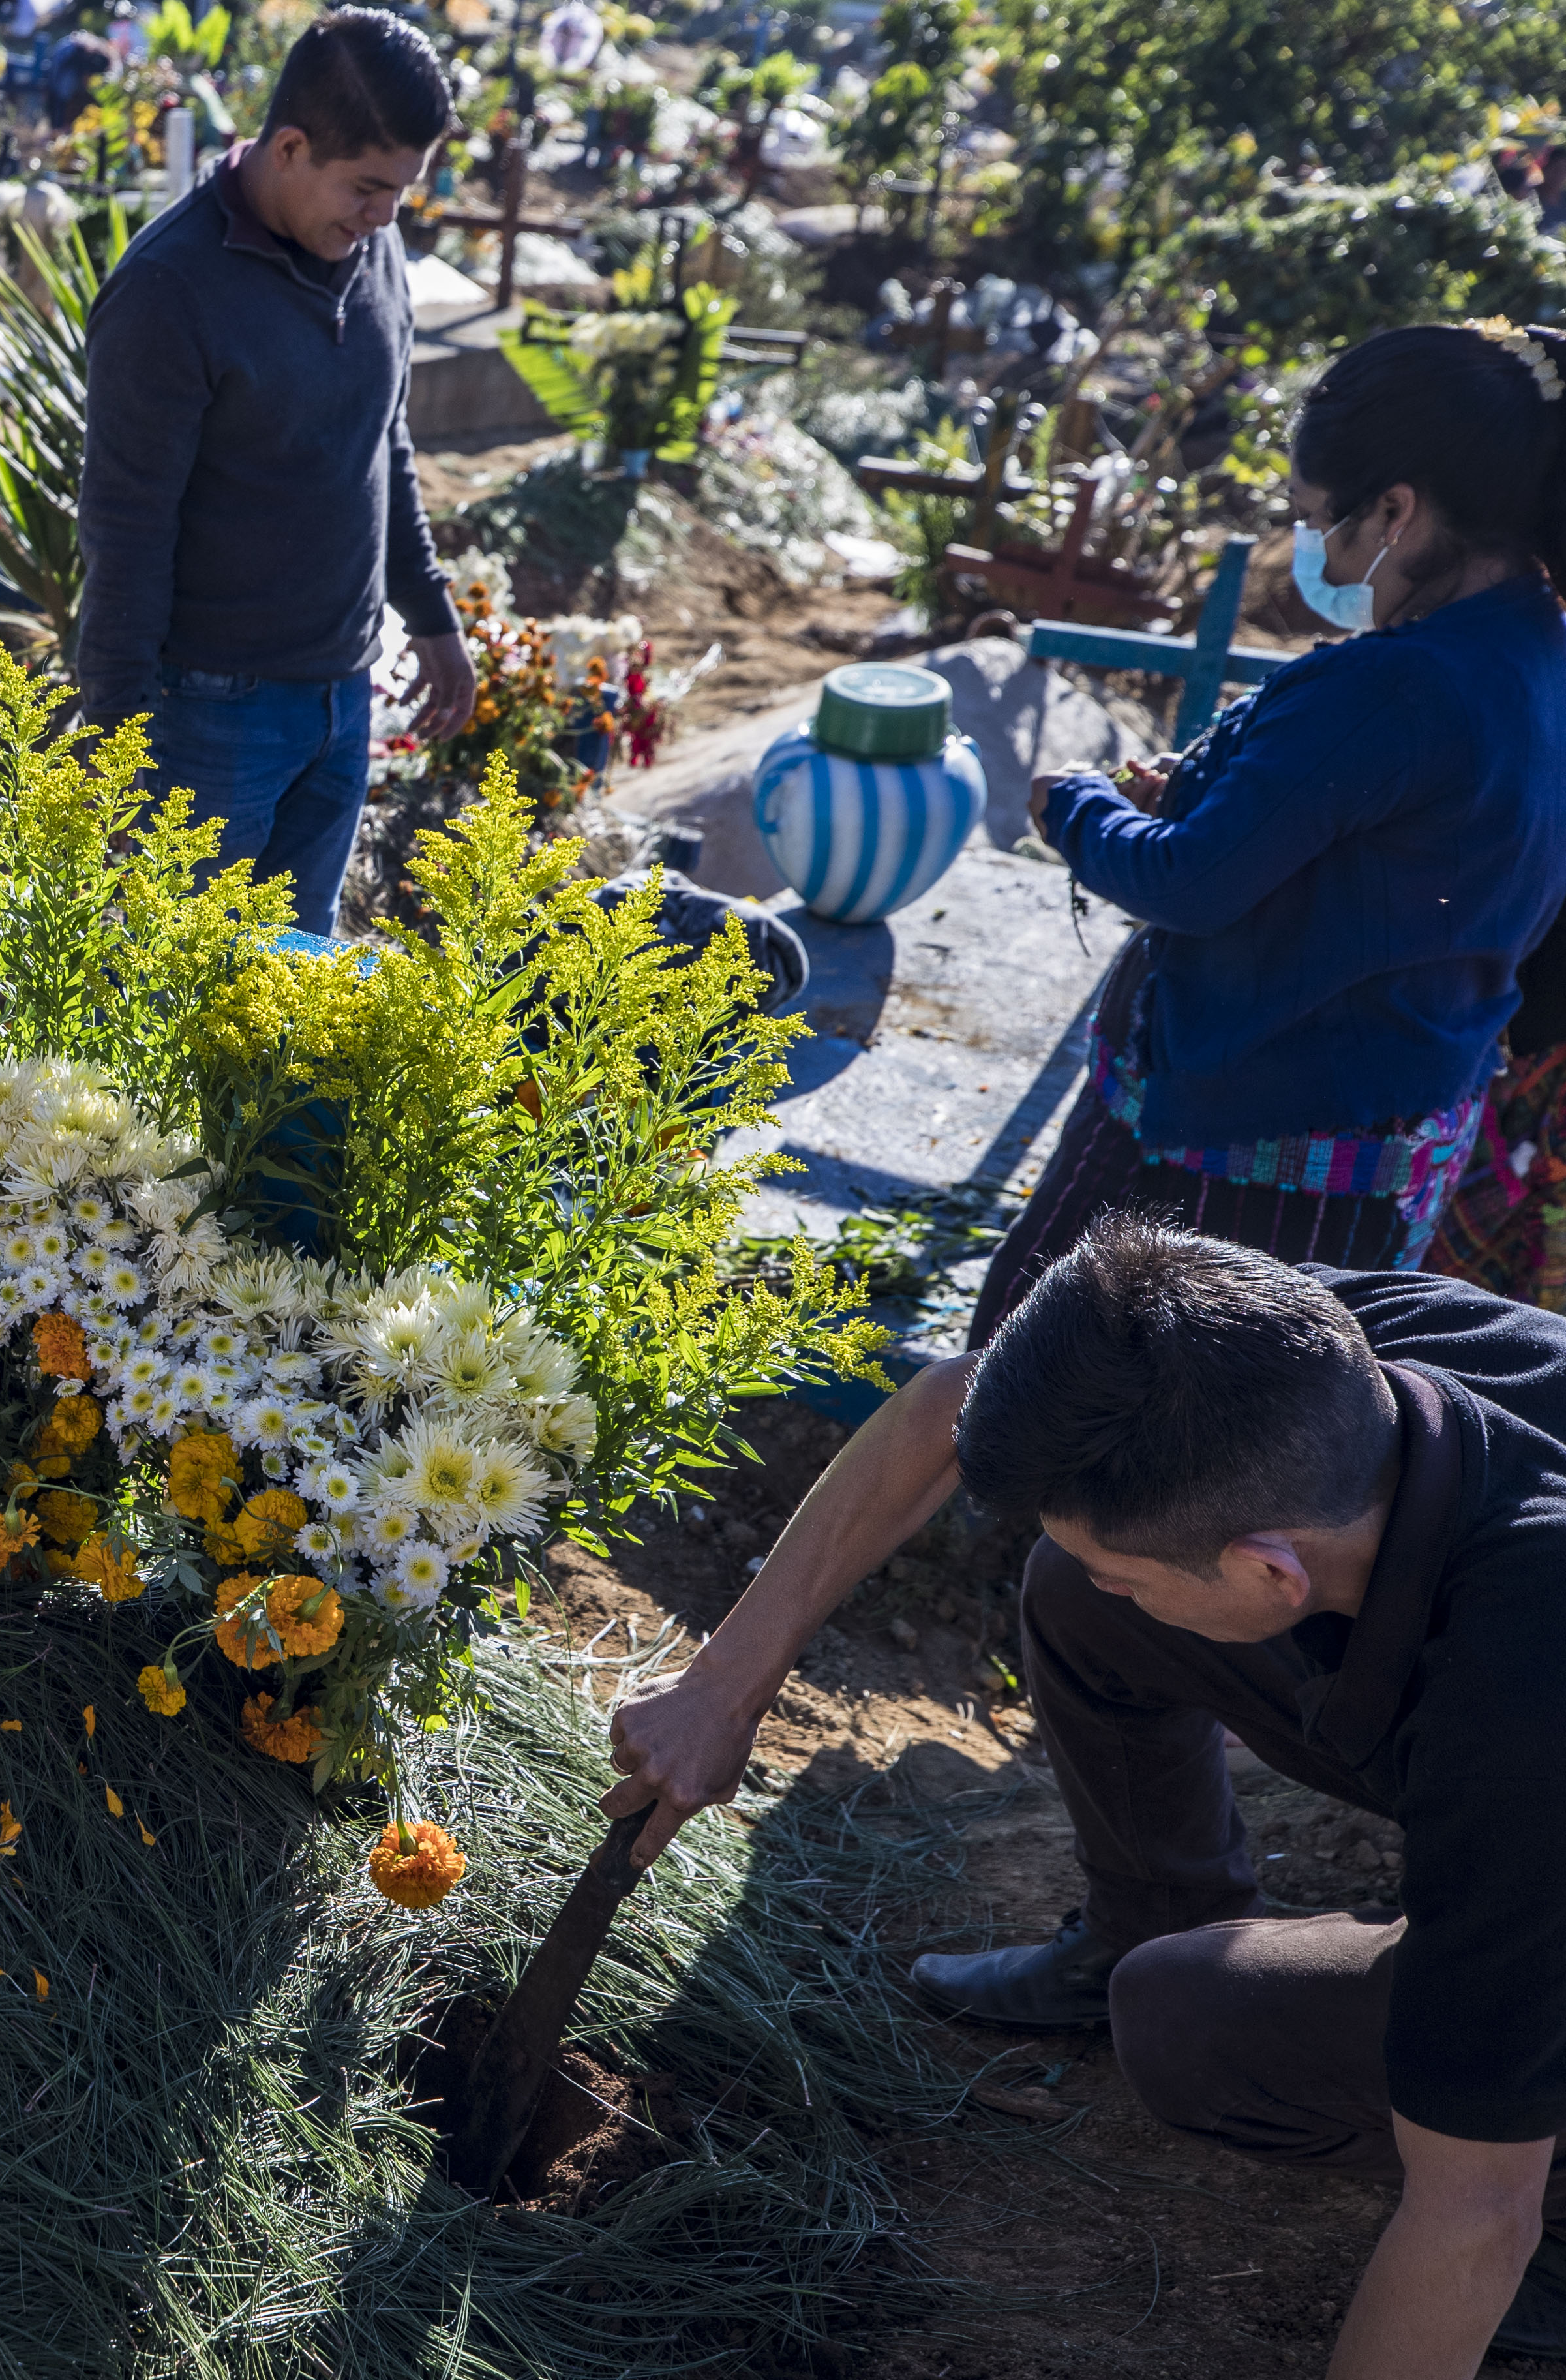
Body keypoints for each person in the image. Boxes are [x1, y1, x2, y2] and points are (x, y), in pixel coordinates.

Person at [610, 1217, 1566, 2373]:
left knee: (1191, 2022)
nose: (1115, 1582)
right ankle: (1150, 1905)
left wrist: (1497, 2167)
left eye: (1141, 1570)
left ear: (1273, 1569)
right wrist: (724, 1687)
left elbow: (1474, 2211)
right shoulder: (1319, 1361)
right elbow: (951, 1402)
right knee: (1081, 1586)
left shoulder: (1518, 1711)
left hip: (1532, 1768)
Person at [981, 320, 1566, 1343]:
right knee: (1255, 1458)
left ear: (1396, 508)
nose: (1313, 552)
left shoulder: (1394, 684)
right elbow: (1409, 860)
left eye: (1315, 520)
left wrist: (1074, 807)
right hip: (1382, 1164)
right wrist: (1211, 796)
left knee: (1041, 1394)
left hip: (1220, 1165)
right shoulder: (1538, 655)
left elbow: (1189, 883)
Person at [72, 6, 481, 939]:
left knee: (299, 998)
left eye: (401, 194)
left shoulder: (373, 251)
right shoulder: (169, 293)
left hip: (343, 693)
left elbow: (387, 443)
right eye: (369, 189)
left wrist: (432, 616)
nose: (386, 218)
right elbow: (126, 532)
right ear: (289, 146)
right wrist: (120, 740)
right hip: (210, 716)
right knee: (183, 992)